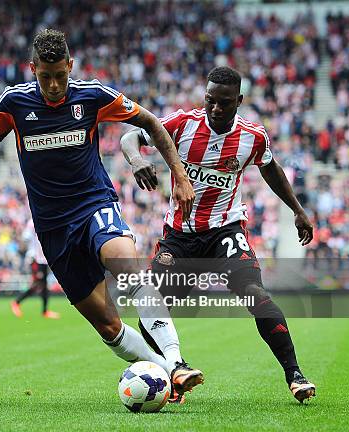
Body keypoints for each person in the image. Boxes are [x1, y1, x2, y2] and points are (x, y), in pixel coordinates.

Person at [0, 29, 203, 401]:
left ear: (70, 66)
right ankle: (166, 375)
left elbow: (151, 122)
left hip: (94, 204)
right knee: (107, 324)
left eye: (61, 75)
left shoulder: (92, 95)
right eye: (45, 76)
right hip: (53, 227)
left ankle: (176, 362)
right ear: (32, 68)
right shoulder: (12, 103)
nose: (54, 85)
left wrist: (180, 175)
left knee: (126, 263)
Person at [120, 66, 316, 403]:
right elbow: (130, 136)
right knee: (150, 302)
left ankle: (294, 374)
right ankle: (172, 373)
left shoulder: (252, 136)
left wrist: (297, 209)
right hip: (180, 235)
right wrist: (137, 159)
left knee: (255, 293)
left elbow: (270, 168)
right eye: (210, 100)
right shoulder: (183, 124)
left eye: (224, 103)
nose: (215, 108)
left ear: (238, 101)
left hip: (226, 230)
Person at [11, 220, 60, 319]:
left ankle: (45, 311)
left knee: (44, 286)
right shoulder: (32, 223)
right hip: (35, 258)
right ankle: (16, 302)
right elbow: (26, 238)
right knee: (37, 284)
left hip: (43, 259)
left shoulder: (44, 219)